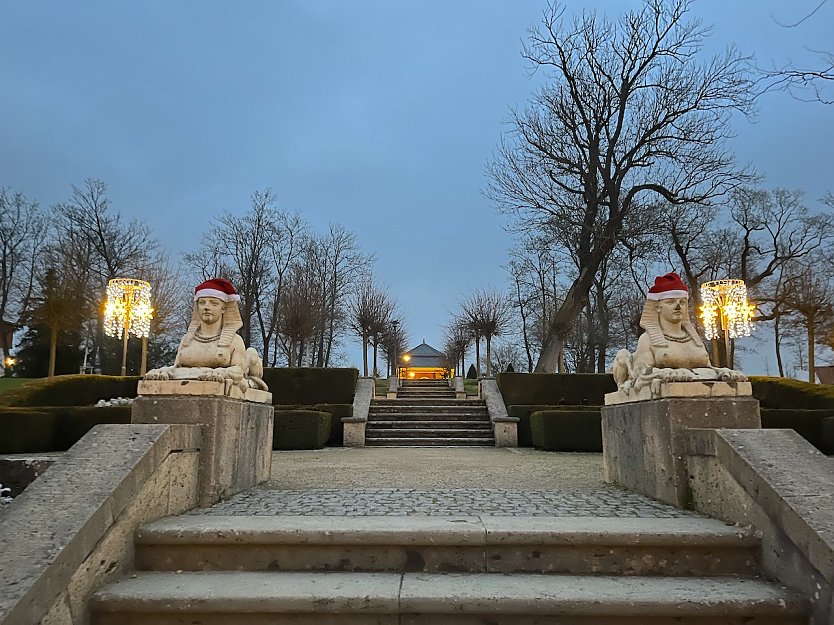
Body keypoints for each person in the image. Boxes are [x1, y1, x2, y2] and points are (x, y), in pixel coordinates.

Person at [613, 272, 744, 392]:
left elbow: (707, 369)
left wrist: (723, 372)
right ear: (657, 307)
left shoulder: (693, 338)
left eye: (682, 302)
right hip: (648, 378)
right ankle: (621, 385)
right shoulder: (647, 339)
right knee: (623, 355)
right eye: (670, 302)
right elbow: (641, 372)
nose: (678, 306)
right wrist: (667, 373)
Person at [145, 278, 266, 391]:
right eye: (202, 303)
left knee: (251, 354)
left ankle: (253, 382)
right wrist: (164, 371)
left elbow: (238, 371)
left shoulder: (235, 340)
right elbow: (177, 368)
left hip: (230, 377)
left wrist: (221, 373)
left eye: (214, 303)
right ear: (197, 307)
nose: (207, 307)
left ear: (223, 308)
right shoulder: (187, 339)